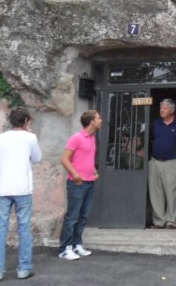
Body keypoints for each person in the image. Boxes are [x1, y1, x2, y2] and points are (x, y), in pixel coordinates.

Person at [0, 107, 42, 281]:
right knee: (24, 229)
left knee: (0, 229)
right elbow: (37, 158)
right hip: (23, 190)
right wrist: (30, 135)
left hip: (2, 189)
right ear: (26, 121)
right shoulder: (30, 138)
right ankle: (23, 269)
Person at [58, 109, 102, 261]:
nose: (100, 120)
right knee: (72, 216)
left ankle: (77, 244)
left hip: (89, 183)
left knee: (83, 216)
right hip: (77, 184)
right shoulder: (76, 138)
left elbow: (87, 158)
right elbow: (64, 159)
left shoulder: (91, 138)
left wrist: (94, 171)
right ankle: (65, 248)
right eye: (98, 118)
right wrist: (75, 175)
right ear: (91, 122)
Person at [148, 99, 176, 229]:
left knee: (172, 193)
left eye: (165, 108)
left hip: (172, 162)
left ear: (172, 110)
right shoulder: (156, 123)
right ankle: (159, 222)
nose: (161, 110)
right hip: (155, 162)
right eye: (161, 108)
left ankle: (172, 222)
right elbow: (150, 139)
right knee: (156, 193)